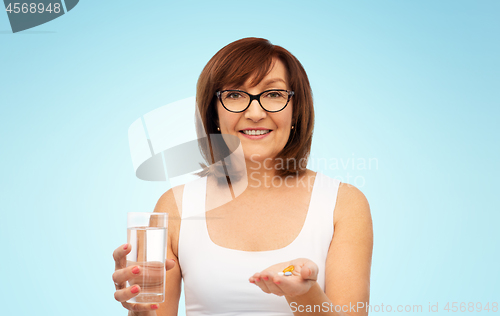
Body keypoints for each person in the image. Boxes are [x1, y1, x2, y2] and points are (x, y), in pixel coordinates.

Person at [112, 37, 373, 316]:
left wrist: (305, 294)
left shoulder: (342, 203)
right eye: (235, 95)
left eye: (274, 94)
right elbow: (153, 312)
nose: (256, 113)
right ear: (213, 114)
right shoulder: (175, 206)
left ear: (296, 110)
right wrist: (139, 308)